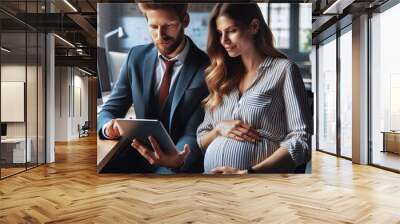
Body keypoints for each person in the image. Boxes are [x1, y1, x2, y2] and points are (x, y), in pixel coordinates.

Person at [196, 3, 313, 174]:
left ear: (254, 27)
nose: (224, 41)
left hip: (259, 186)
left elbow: (301, 139)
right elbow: (201, 139)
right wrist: (219, 129)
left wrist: (250, 173)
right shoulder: (222, 78)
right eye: (220, 33)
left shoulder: (283, 70)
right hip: (212, 187)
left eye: (231, 31)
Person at [97, 3, 209, 173]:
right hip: (136, 156)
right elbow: (109, 110)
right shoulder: (135, 58)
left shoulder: (207, 67)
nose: (160, 35)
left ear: (185, 21)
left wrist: (176, 159)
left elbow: (195, 132)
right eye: (153, 26)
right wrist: (107, 128)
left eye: (169, 26)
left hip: (178, 163)